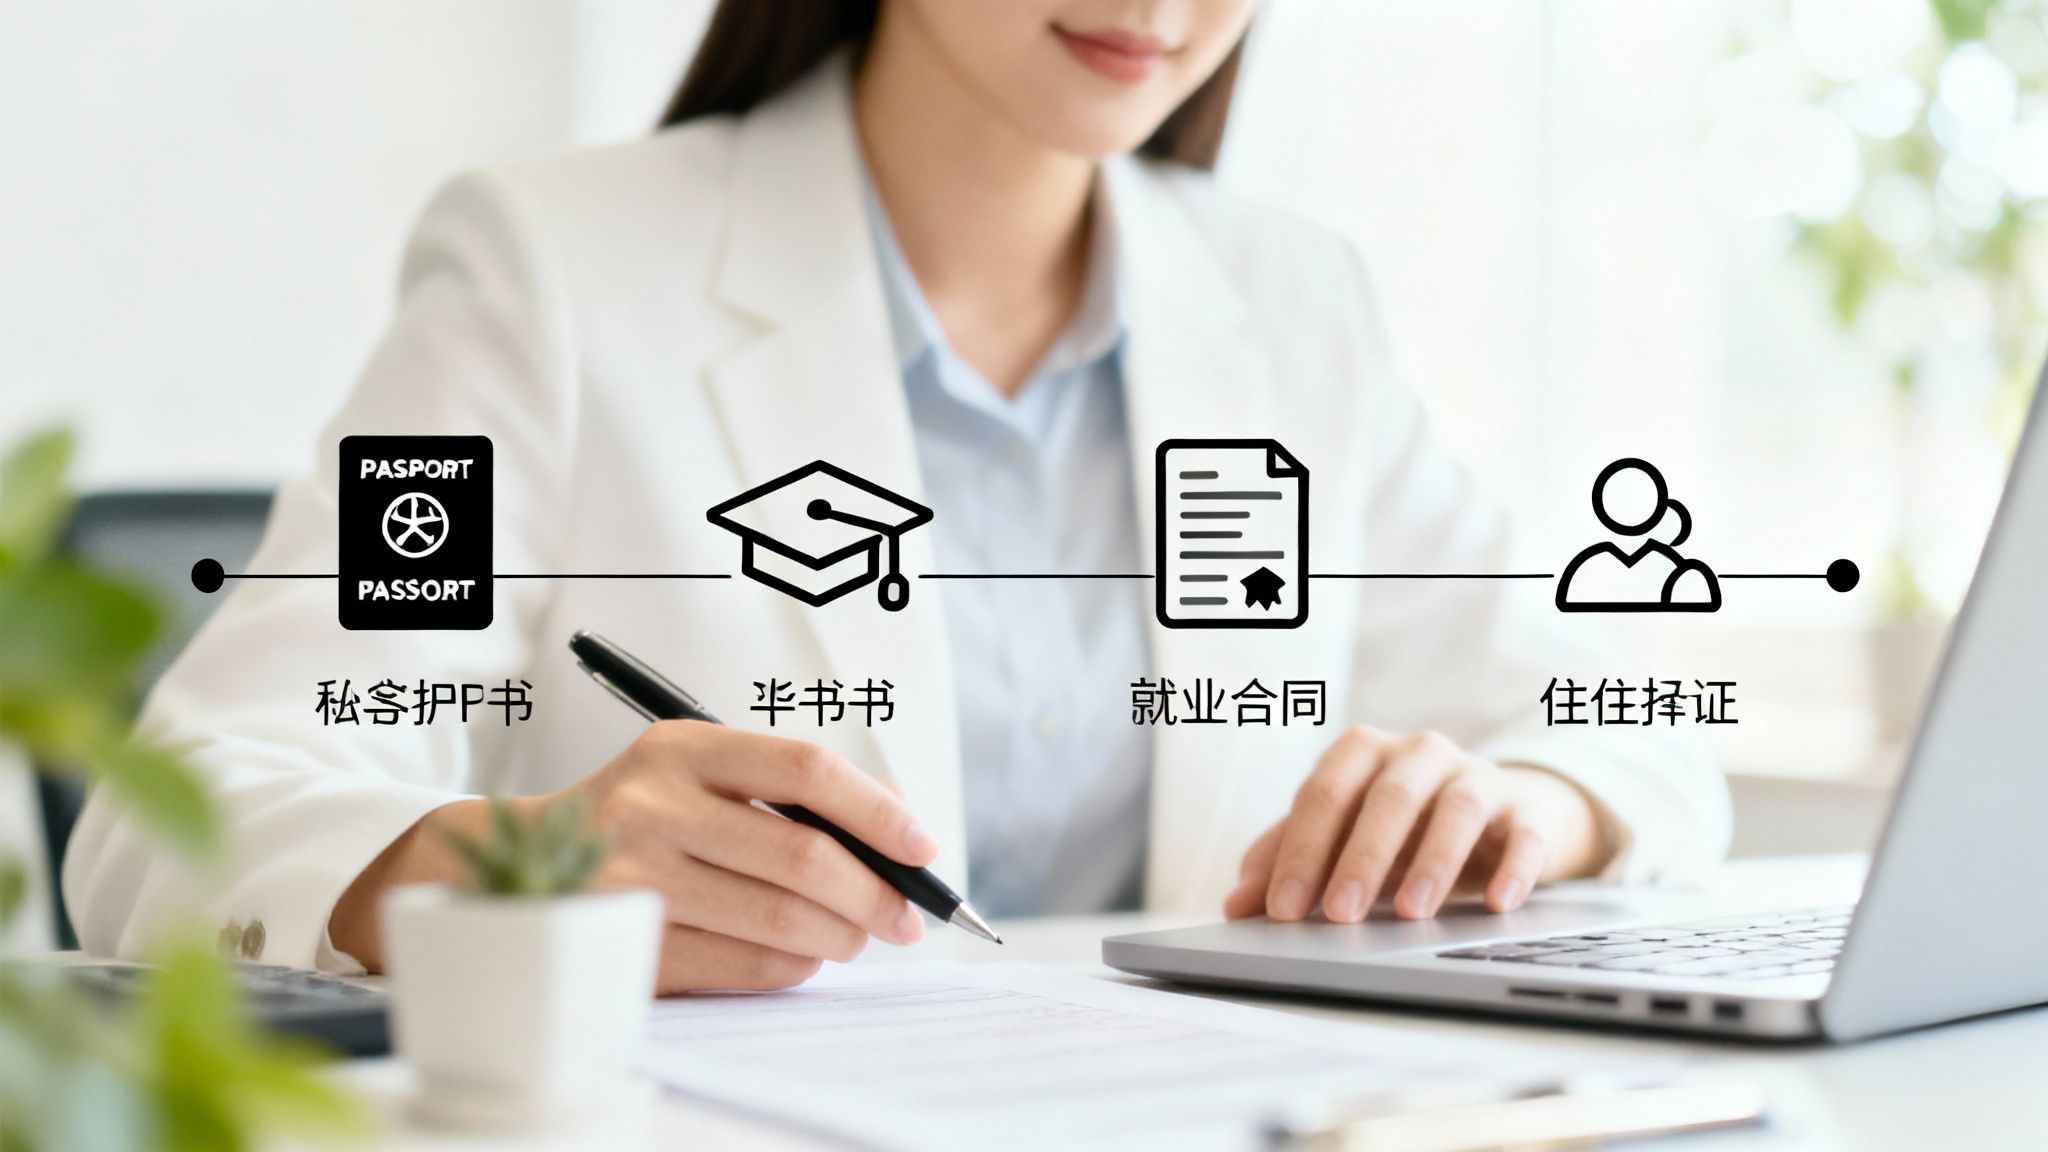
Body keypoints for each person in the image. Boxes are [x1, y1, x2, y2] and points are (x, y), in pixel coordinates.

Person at [64, 0, 1730, 994]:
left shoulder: (1296, 303)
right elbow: (177, 808)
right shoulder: (550, 276)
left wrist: (1528, 803)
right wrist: (520, 862)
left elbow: (1623, 727)